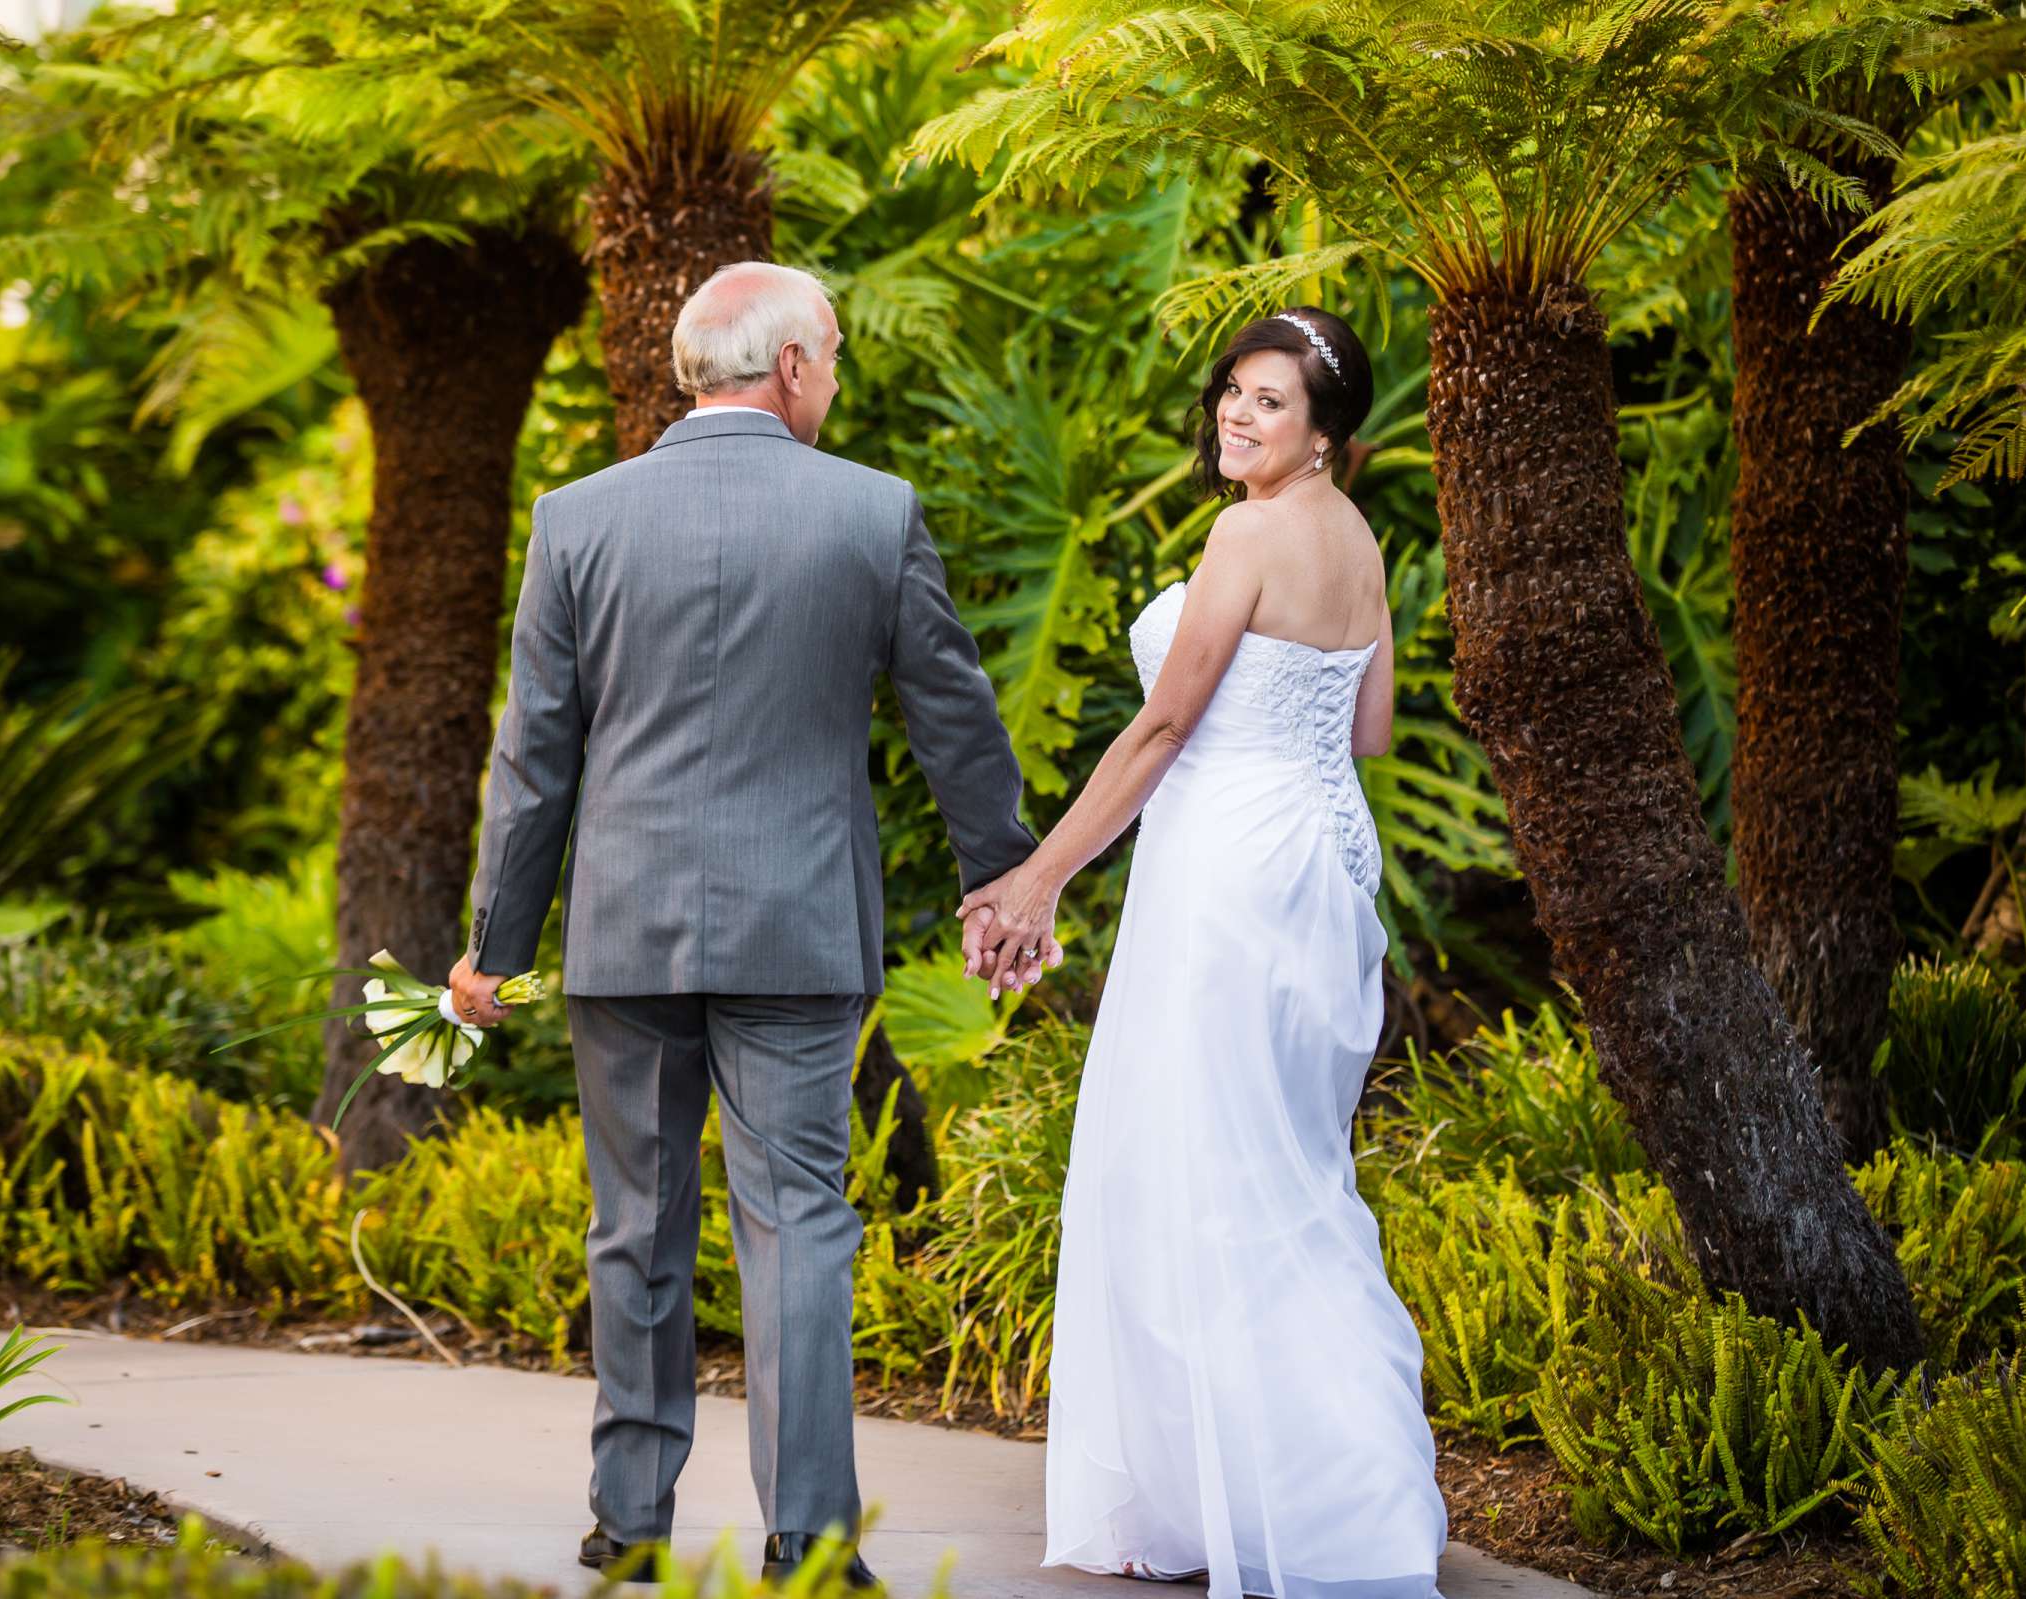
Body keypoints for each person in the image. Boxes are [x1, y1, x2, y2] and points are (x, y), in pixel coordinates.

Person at [447, 261, 1045, 1589]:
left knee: (636, 1225)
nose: (833, 375)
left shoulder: (577, 519)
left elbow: (531, 755)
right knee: (799, 1228)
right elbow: (955, 719)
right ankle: (814, 1546)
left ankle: (629, 1523)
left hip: (624, 933)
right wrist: (1002, 880)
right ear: (786, 369)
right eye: (830, 353)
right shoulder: (871, 513)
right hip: (796, 931)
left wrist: (496, 943)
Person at [960, 308, 1448, 1599]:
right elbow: (1373, 729)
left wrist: (1037, 878)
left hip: (1227, 874)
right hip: (1326, 868)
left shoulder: (1247, 532)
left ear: (1325, 430)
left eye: (1271, 403)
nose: (1238, 417)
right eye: (1233, 393)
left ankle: (1281, 1512)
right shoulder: (1359, 539)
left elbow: (1166, 723)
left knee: (1209, 1170)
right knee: (1283, 1171)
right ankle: (1296, 1502)